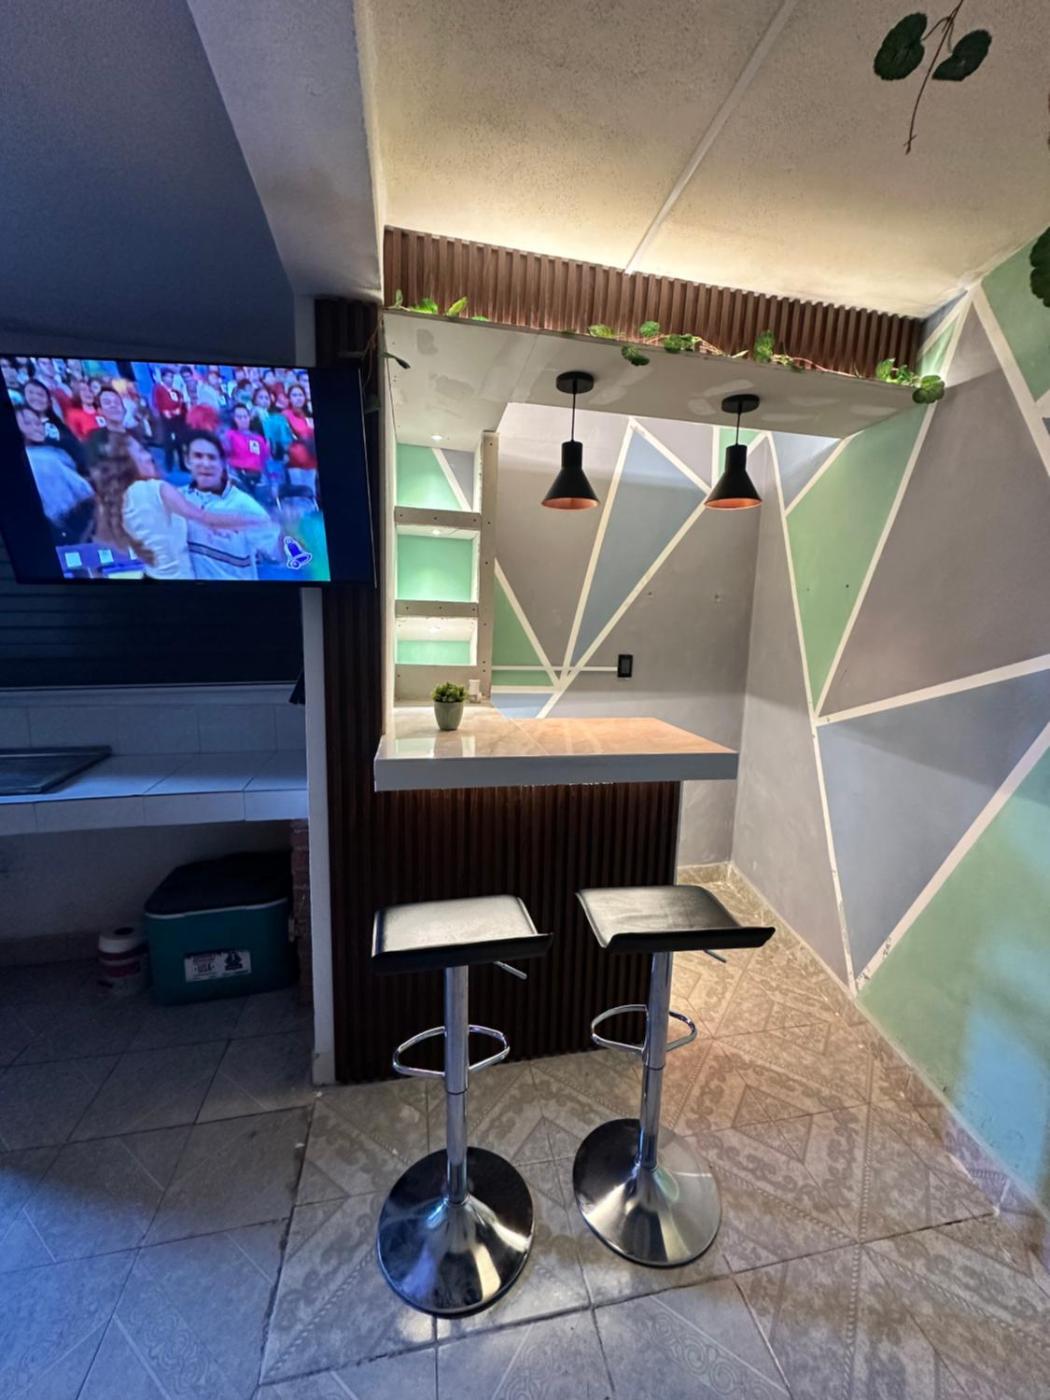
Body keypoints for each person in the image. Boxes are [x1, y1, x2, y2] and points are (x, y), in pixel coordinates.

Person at [91, 437, 259, 581]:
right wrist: (252, 521)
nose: (149, 456)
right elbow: (202, 517)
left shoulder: (117, 500)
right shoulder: (157, 488)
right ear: (127, 463)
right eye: (141, 452)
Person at [181, 430, 282, 579]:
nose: (205, 464)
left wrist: (289, 531)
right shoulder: (178, 499)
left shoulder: (245, 506)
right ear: (187, 461)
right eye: (198, 456)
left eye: (212, 458)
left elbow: (277, 552)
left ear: (223, 463)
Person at [16, 405, 95, 541]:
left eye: (37, 423)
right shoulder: (40, 458)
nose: (35, 427)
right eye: (27, 423)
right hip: (69, 524)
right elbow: (84, 491)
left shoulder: (53, 452)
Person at [21, 379, 84, 469]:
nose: (36, 397)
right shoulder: (23, 428)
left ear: (48, 401)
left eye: (40, 394)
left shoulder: (59, 424)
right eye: (31, 393)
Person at [224, 402, 272, 499]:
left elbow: (265, 459)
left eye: (245, 417)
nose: (243, 420)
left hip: (258, 476)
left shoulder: (258, 438)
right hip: (238, 475)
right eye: (239, 417)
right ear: (233, 419)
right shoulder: (229, 435)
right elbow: (225, 454)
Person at [152, 367, 185, 472]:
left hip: (177, 421)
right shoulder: (159, 390)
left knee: (179, 442)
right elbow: (160, 405)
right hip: (166, 422)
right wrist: (169, 412)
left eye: (171, 377)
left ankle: (182, 465)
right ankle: (168, 466)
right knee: (169, 443)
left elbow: (180, 403)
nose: (170, 379)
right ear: (163, 378)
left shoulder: (175, 391)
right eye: (168, 377)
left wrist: (178, 410)